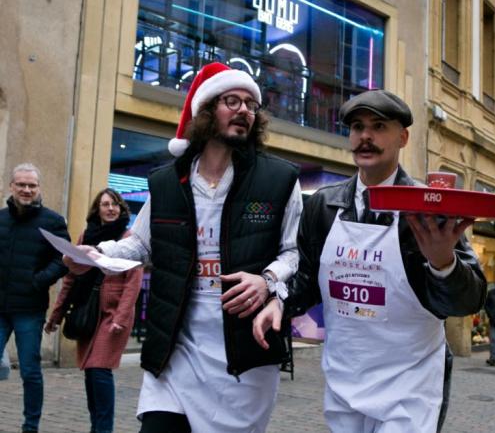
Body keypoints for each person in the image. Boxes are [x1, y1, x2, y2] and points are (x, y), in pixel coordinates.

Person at [64, 62, 303, 433]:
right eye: (232, 101)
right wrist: (98, 255)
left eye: (251, 105)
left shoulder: (279, 180)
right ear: (207, 112)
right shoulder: (166, 182)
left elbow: (294, 252)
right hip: (176, 354)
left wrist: (268, 281)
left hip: (243, 360)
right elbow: (141, 245)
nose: (244, 110)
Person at [252, 89, 487, 432]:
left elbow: (468, 299)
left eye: (378, 126)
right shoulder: (323, 205)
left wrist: (443, 264)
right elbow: (306, 280)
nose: (365, 136)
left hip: (410, 386)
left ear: (403, 137)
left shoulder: (428, 207)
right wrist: (279, 301)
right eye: (357, 127)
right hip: (345, 380)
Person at [45, 189, 143, 433]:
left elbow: (133, 282)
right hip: (87, 311)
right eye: (105, 204)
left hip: (113, 316)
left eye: (115, 204)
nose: (110, 208)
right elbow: (71, 279)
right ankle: (96, 427)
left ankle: (104, 428)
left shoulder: (128, 238)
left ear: (121, 208)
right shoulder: (86, 236)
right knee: (90, 372)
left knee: (99, 369)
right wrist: (56, 315)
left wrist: (120, 317)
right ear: (97, 209)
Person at [0, 163, 70, 433]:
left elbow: (63, 259)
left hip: (29, 308)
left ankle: (31, 426)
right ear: (11, 187)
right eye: (21, 184)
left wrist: (38, 281)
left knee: (29, 371)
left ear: (38, 188)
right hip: (0, 307)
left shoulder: (52, 221)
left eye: (32, 185)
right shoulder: (2, 219)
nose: (26, 190)